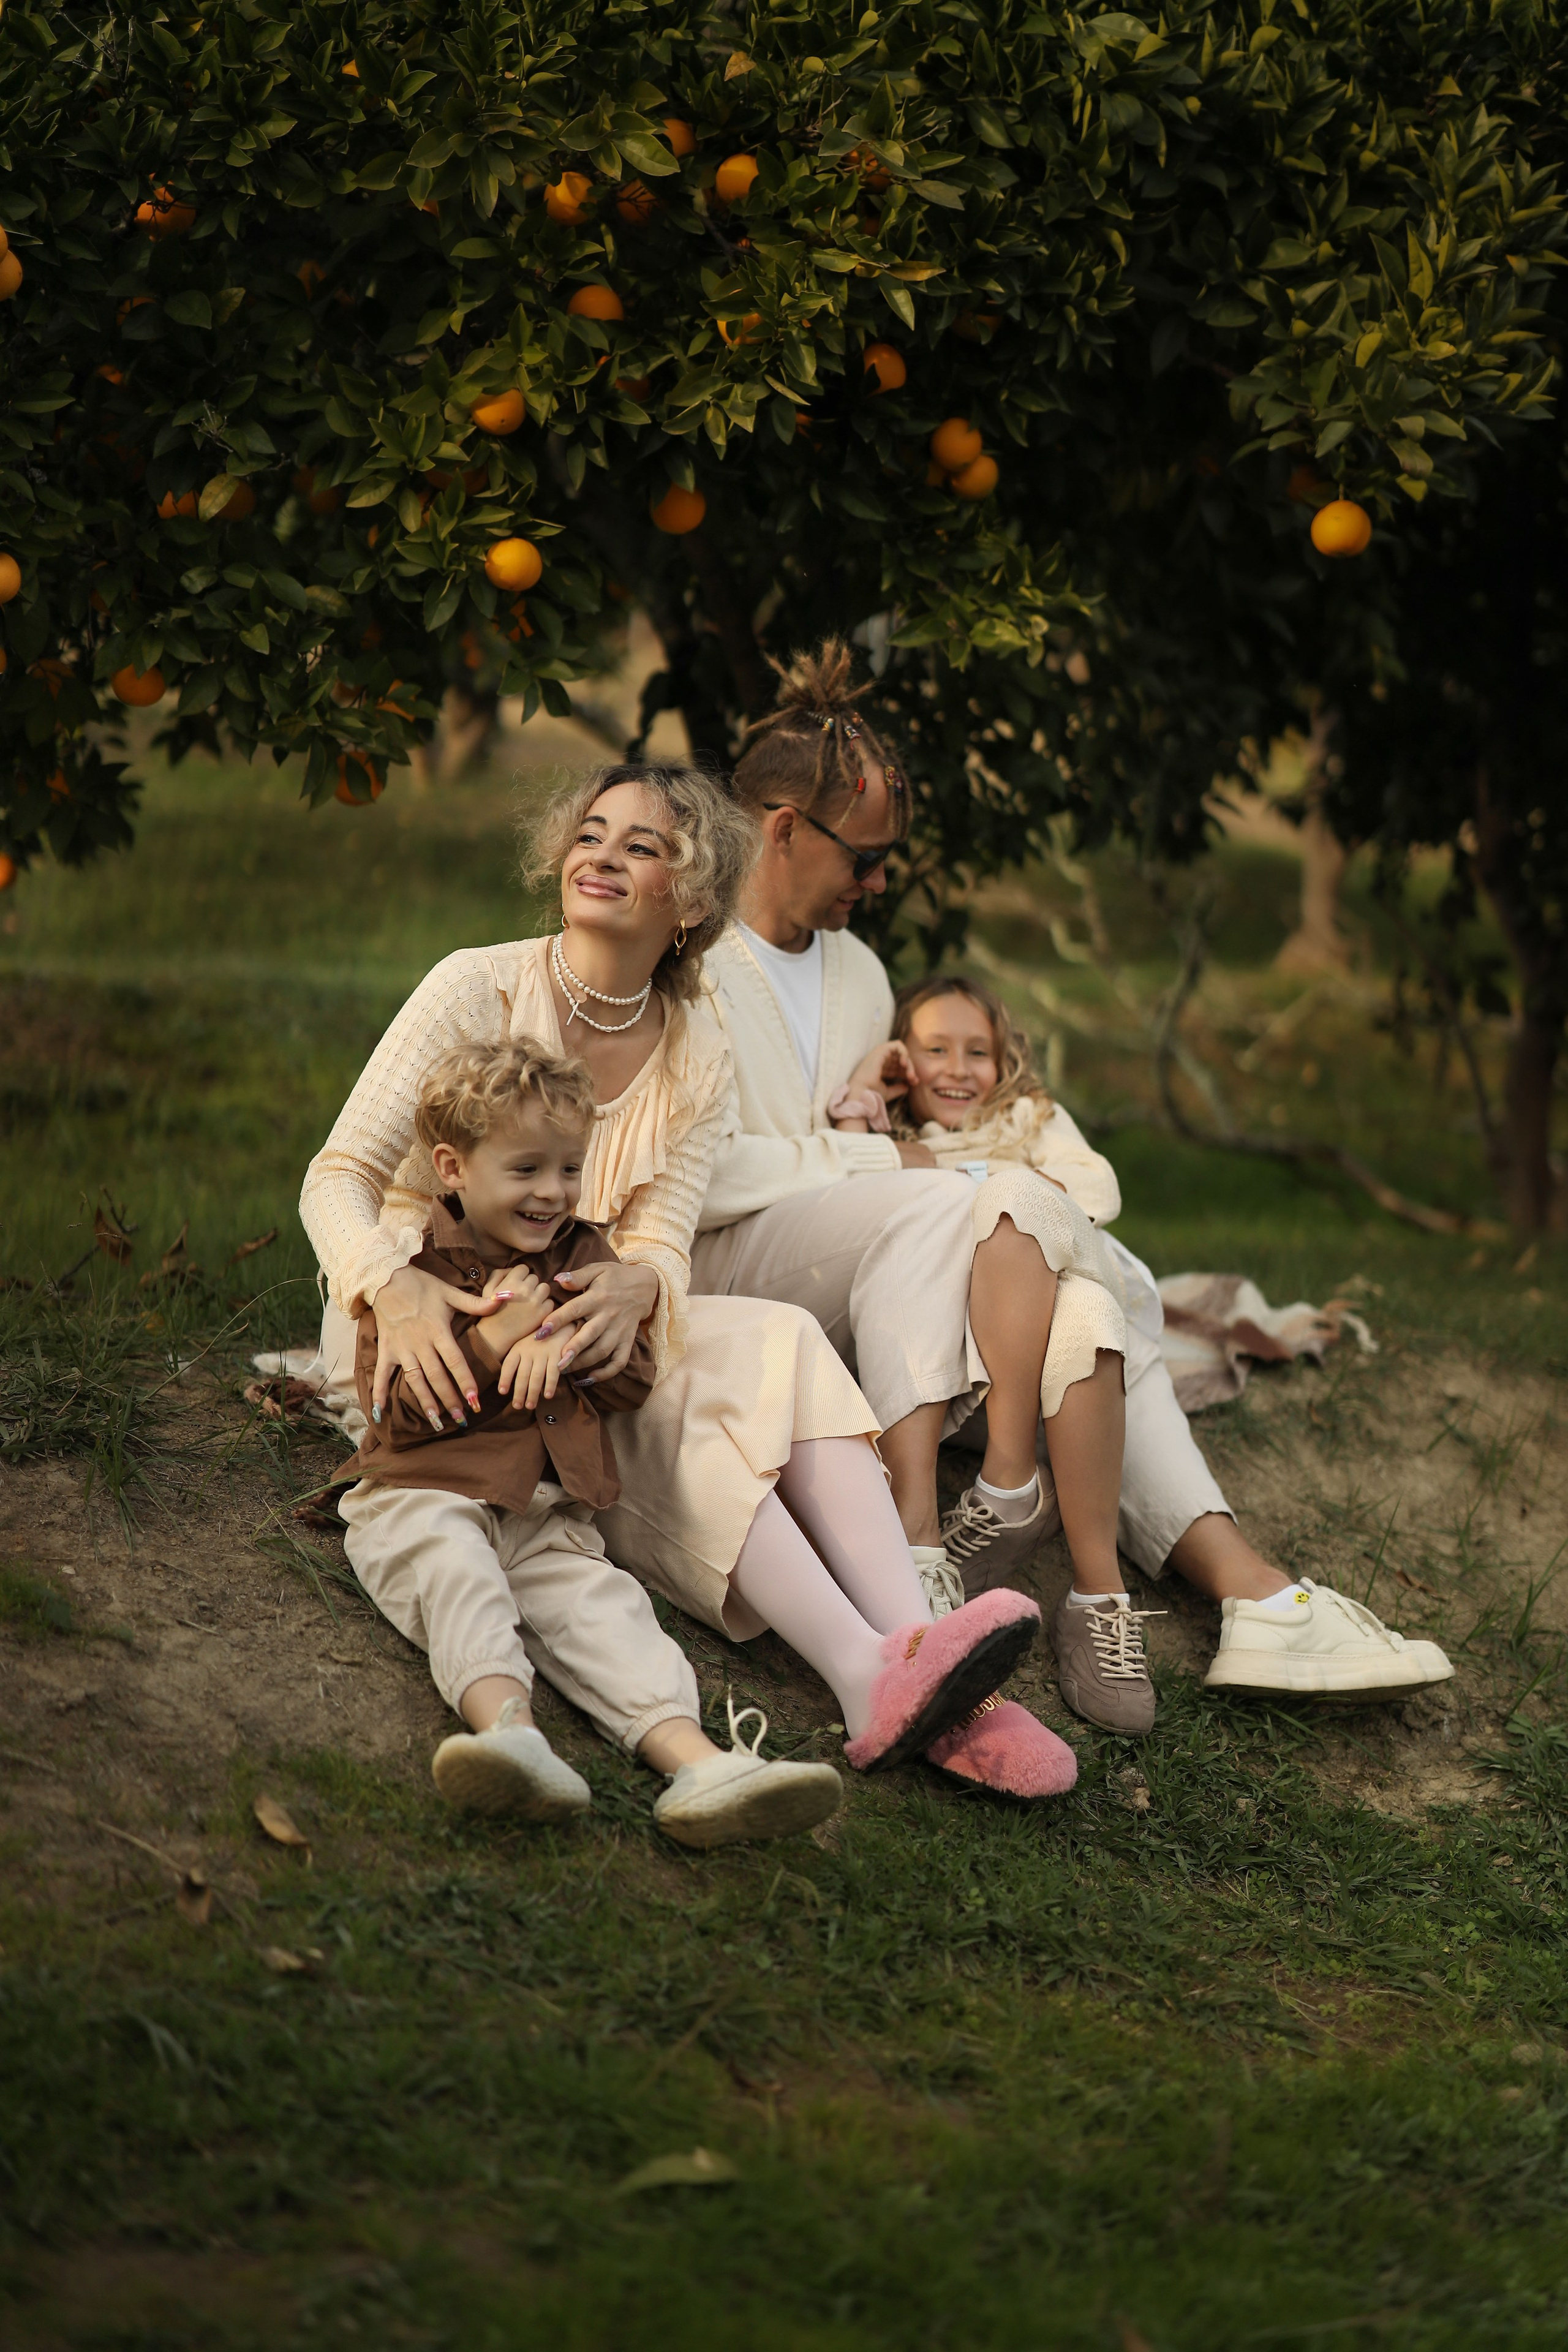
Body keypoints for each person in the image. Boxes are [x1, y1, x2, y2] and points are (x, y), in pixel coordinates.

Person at [691, 643, 1455, 1725]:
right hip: (744, 1267)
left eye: (889, 861)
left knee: (1079, 1302)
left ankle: (1248, 1597)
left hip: (876, 1282)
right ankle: (986, 1519)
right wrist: (895, 1160)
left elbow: (879, 1149)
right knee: (992, 1205)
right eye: (865, 860)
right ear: (780, 830)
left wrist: (902, 1140)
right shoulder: (691, 960)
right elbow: (704, 1175)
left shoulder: (859, 973)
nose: (879, 882)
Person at [301, 761, 1073, 1809]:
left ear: (696, 896)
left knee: (785, 1336)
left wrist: (637, 1288)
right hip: (434, 1329)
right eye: (590, 834)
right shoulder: (475, 987)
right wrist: (392, 1289)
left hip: (585, 1321)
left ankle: (911, 1654)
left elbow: (662, 1240)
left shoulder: (694, 1045)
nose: (603, 855)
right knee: (684, 1396)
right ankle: (868, 1671)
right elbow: (337, 1177)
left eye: (643, 845)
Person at [856, 971, 1455, 1724]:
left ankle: (1041, 1510)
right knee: (1086, 1319)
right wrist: (869, 1091)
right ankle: (1179, 1602)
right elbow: (849, 1172)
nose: (957, 1066)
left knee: (1060, 1265)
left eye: (979, 1050)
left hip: (1076, 1281)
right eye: (934, 1048)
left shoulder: (1029, 1117)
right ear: (899, 1059)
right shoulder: (885, 1136)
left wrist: (978, 1175)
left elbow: (1092, 1191)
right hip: (998, 1346)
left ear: (1006, 1061)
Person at [339, 1036, 847, 1847]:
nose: (553, 1192)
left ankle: (701, 1766)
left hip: (549, 1514)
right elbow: (397, 1416)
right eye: (527, 1169)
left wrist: (565, 1344)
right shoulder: (414, 1273)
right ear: (453, 1168)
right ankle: (507, 1732)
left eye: (570, 1169)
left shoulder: (586, 1258)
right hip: (422, 1490)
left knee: (606, 1614)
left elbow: (632, 1381)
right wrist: (494, 1343)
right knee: (454, 1570)